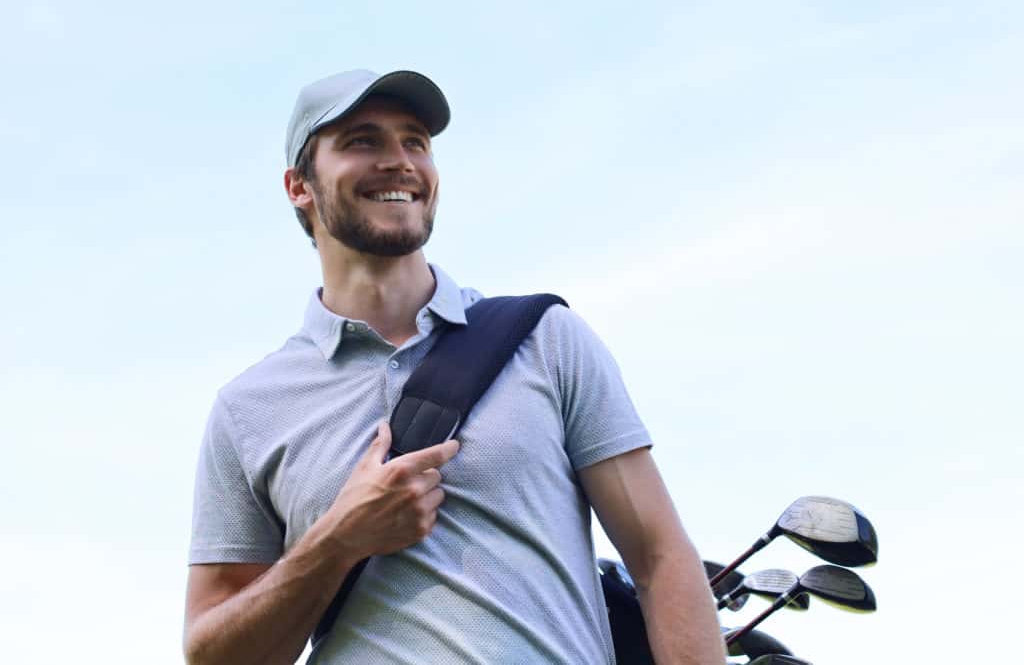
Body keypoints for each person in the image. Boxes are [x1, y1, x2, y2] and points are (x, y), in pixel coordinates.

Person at [183, 69, 725, 665]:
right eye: (363, 141)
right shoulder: (248, 409)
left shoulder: (548, 339)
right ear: (299, 186)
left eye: (415, 141)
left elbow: (660, 559)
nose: (401, 162)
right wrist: (337, 542)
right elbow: (214, 654)